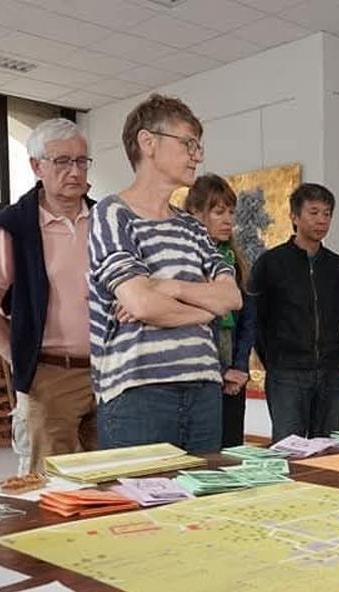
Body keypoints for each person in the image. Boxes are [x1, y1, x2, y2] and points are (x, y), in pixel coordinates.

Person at [88, 94, 241, 454]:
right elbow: (141, 303)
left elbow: (231, 298)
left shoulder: (193, 227)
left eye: (198, 146)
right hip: (138, 395)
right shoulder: (113, 214)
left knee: (201, 509)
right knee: (140, 510)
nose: (198, 155)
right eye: (188, 143)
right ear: (148, 142)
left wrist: (166, 286)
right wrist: (205, 309)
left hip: (204, 389)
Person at [0, 118, 97, 473]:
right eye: (62, 161)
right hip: (48, 374)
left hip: (110, 373)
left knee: (112, 481)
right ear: (37, 166)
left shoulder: (107, 220)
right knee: (49, 486)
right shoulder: (13, 228)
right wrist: (16, 357)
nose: (75, 171)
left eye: (81, 161)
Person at [250, 183, 339, 441]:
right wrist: (274, 358)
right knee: (288, 448)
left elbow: (338, 316)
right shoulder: (270, 263)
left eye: (327, 214)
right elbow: (256, 320)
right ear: (294, 217)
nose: (321, 220)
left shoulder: (338, 267)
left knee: (328, 450)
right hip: (287, 371)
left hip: (331, 369)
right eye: (314, 212)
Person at [184, 174, 257, 448]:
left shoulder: (235, 260)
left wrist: (238, 368)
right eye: (218, 212)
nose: (228, 220)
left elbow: (249, 319)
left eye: (231, 212)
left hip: (233, 374)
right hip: (201, 373)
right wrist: (221, 370)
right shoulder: (185, 261)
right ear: (196, 214)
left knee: (231, 452)